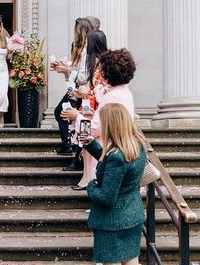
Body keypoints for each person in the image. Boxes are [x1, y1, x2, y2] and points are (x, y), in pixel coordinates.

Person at [81, 102, 149, 265]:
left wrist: (90, 186)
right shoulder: (137, 147)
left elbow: (107, 196)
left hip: (113, 220)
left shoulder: (117, 156)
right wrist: (92, 145)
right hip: (132, 214)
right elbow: (112, 164)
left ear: (112, 125)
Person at [61, 48, 137, 187]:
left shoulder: (111, 97)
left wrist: (76, 116)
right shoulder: (126, 92)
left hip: (107, 148)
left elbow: (94, 129)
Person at [61, 29, 109, 184]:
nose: (85, 45)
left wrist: (86, 92)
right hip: (89, 105)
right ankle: (86, 177)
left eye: (88, 42)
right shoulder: (96, 62)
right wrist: (83, 92)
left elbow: (102, 89)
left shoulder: (102, 64)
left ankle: (90, 178)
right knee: (85, 142)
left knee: (90, 141)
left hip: (96, 109)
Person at [50, 17, 92, 158]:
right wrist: (65, 69)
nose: (74, 34)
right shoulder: (80, 49)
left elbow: (82, 77)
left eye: (76, 31)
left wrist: (67, 70)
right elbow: (75, 74)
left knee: (65, 114)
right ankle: (70, 146)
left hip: (83, 91)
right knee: (66, 115)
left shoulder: (87, 50)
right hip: (77, 90)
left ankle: (70, 147)